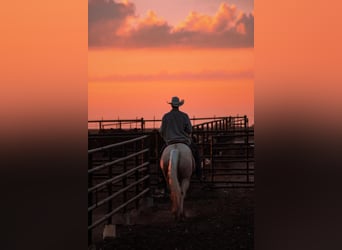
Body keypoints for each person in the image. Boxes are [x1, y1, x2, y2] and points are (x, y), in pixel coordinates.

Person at [159, 96, 202, 180]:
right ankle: (199, 174)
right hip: (184, 141)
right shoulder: (184, 116)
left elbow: (161, 131)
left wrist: (166, 137)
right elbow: (189, 130)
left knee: (160, 155)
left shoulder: (166, 116)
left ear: (171, 105)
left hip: (170, 142)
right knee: (196, 153)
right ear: (179, 105)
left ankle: (161, 177)